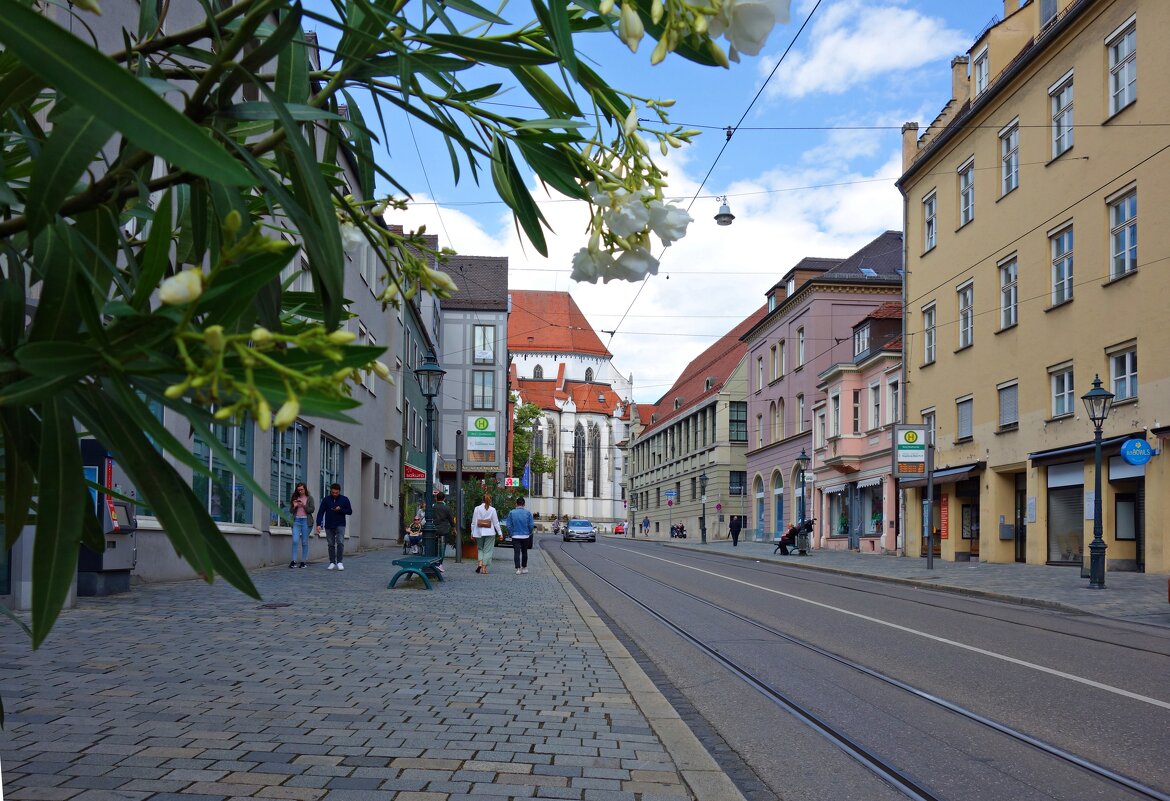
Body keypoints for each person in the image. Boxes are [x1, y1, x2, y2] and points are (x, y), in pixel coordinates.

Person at [315, 483, 352, 570]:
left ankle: (339, 562)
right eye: (333, 492)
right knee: (330, 544)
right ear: (330, 491)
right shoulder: (326, 500)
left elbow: (349, 511)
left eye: (336, 493)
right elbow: (321, 512)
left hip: (340, 524)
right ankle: (332, 562)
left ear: (339, 491)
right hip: (329, 524)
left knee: (340, 542)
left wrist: (341, 510)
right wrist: (318, 524)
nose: (335, 494)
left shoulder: (344, 499)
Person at [471, 493, 500, 574]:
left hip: (478, 531)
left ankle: (480, 563)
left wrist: (472, 532)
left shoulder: (477, 508)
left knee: (480, 549)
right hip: (489, 532)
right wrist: (500, 533)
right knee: (488, 550)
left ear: (482, 499)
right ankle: (484, 568)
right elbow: (496, 523)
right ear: (490, 500)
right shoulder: (492, 509)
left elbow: (473, 522)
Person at [504, 496, 535, 574]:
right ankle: (524, 567)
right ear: (524, 504)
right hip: (525, 535)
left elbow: (508, 525)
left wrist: (511, 533)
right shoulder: (528, 513)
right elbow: (531, 525)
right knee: (524, 552)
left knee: (516, 552)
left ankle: (518, 569)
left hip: (515, 535)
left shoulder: (511, 512)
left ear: (516, 504)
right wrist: (529, 532)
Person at [288, 482, 315, 568]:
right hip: (296, 521)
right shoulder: (295, 498)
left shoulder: (309, 498)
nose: (300, 491)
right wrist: (295, 506)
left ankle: (303, 562)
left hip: (306, 521)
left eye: (302, 489)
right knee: (295, 540)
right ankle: (293, 561)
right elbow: (291, 511)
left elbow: (311, 510)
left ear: (305, 489)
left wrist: (303, 505)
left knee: (304, 542)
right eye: (298, 490)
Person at [432, 492, 453, 573]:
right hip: (444, 530)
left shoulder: (433, 507)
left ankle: (434, 562)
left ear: (436, 498)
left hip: (434, 529)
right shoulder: (446, 508)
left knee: (434, 546)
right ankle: (440, 564)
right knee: (442, 547)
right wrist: (453, 527)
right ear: (444, 498)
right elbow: (451, 519)